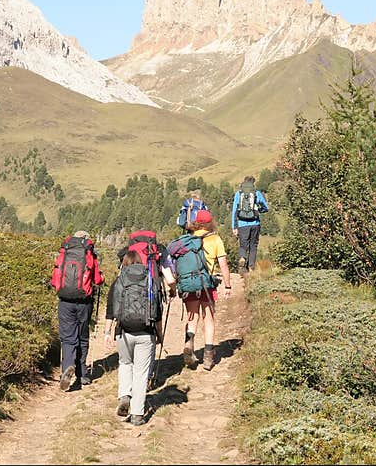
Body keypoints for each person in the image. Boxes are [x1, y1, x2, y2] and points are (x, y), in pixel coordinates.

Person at [103, 249, 171, 425]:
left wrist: (107, 333)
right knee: (141, 373)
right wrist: (160, 335)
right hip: (146, 332)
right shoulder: (150, 281)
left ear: (124, 263)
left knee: (125, 364)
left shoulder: (119, 281)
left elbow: (111, 309)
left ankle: (125, 395)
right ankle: (137, 414)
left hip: (124, 332)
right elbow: (157, 312)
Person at [50, 230, 104, 391]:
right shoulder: (89, 255)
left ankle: (67, 367)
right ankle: (82, 374)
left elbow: (55, 280)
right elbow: (97, 280)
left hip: (65, 301)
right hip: (84, 302)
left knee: (67, 338)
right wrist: (102, 277)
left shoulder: (64, 252)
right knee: (82, 337)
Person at [181, 210, 232, 371]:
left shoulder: (188, 238)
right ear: (210, 223)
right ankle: (208, 356)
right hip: (207, 284)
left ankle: (189, 342)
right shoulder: (215, 239)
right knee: (208, 318)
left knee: (192, 317)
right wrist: (228, 285)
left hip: (189, 284)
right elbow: (223, 264)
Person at [230, 176, 270, 274]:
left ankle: (243, 257)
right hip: (255, 223)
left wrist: (234, 227)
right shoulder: (257, 193)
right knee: (253, 246)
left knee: (243, 245)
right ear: (253, 183)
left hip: (242, 224)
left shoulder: (238, 194)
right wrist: (259, 210)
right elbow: (266, 207)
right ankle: (251, 268)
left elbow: (235, 211)